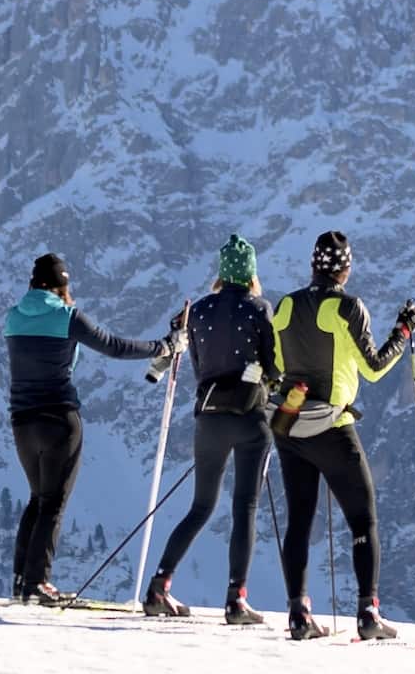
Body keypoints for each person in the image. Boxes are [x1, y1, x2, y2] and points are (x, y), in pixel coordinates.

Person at [4, 251, 185, 605]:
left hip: (22, 421)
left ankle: (21, 581)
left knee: (37, 498)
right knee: (54, 503)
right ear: (62, 286)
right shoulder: (66, 317)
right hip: (60, 419)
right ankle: (38, 584)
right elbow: (114, 346)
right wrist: (163, 346)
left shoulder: (13, 317)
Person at [269, 230, 415, 641]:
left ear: (313, 265)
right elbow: (373, 368)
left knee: (299, 520)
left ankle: (299, 614)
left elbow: (276, 369)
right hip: (333, 428)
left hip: (290, 425)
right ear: (346, 269)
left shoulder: (285, 306)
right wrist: (403, 333)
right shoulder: (348, 307)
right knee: (362, 518)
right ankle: (368, 613)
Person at [143, 234, 280, 624]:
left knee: (201, 506)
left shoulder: (199, 310)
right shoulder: (260, 308)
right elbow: (273, 368)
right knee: (245, 507)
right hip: (250, 418)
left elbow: (200, 367)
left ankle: (159, 586)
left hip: (209, 417)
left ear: (222, 273)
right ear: (251, 274)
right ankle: (237, 599)